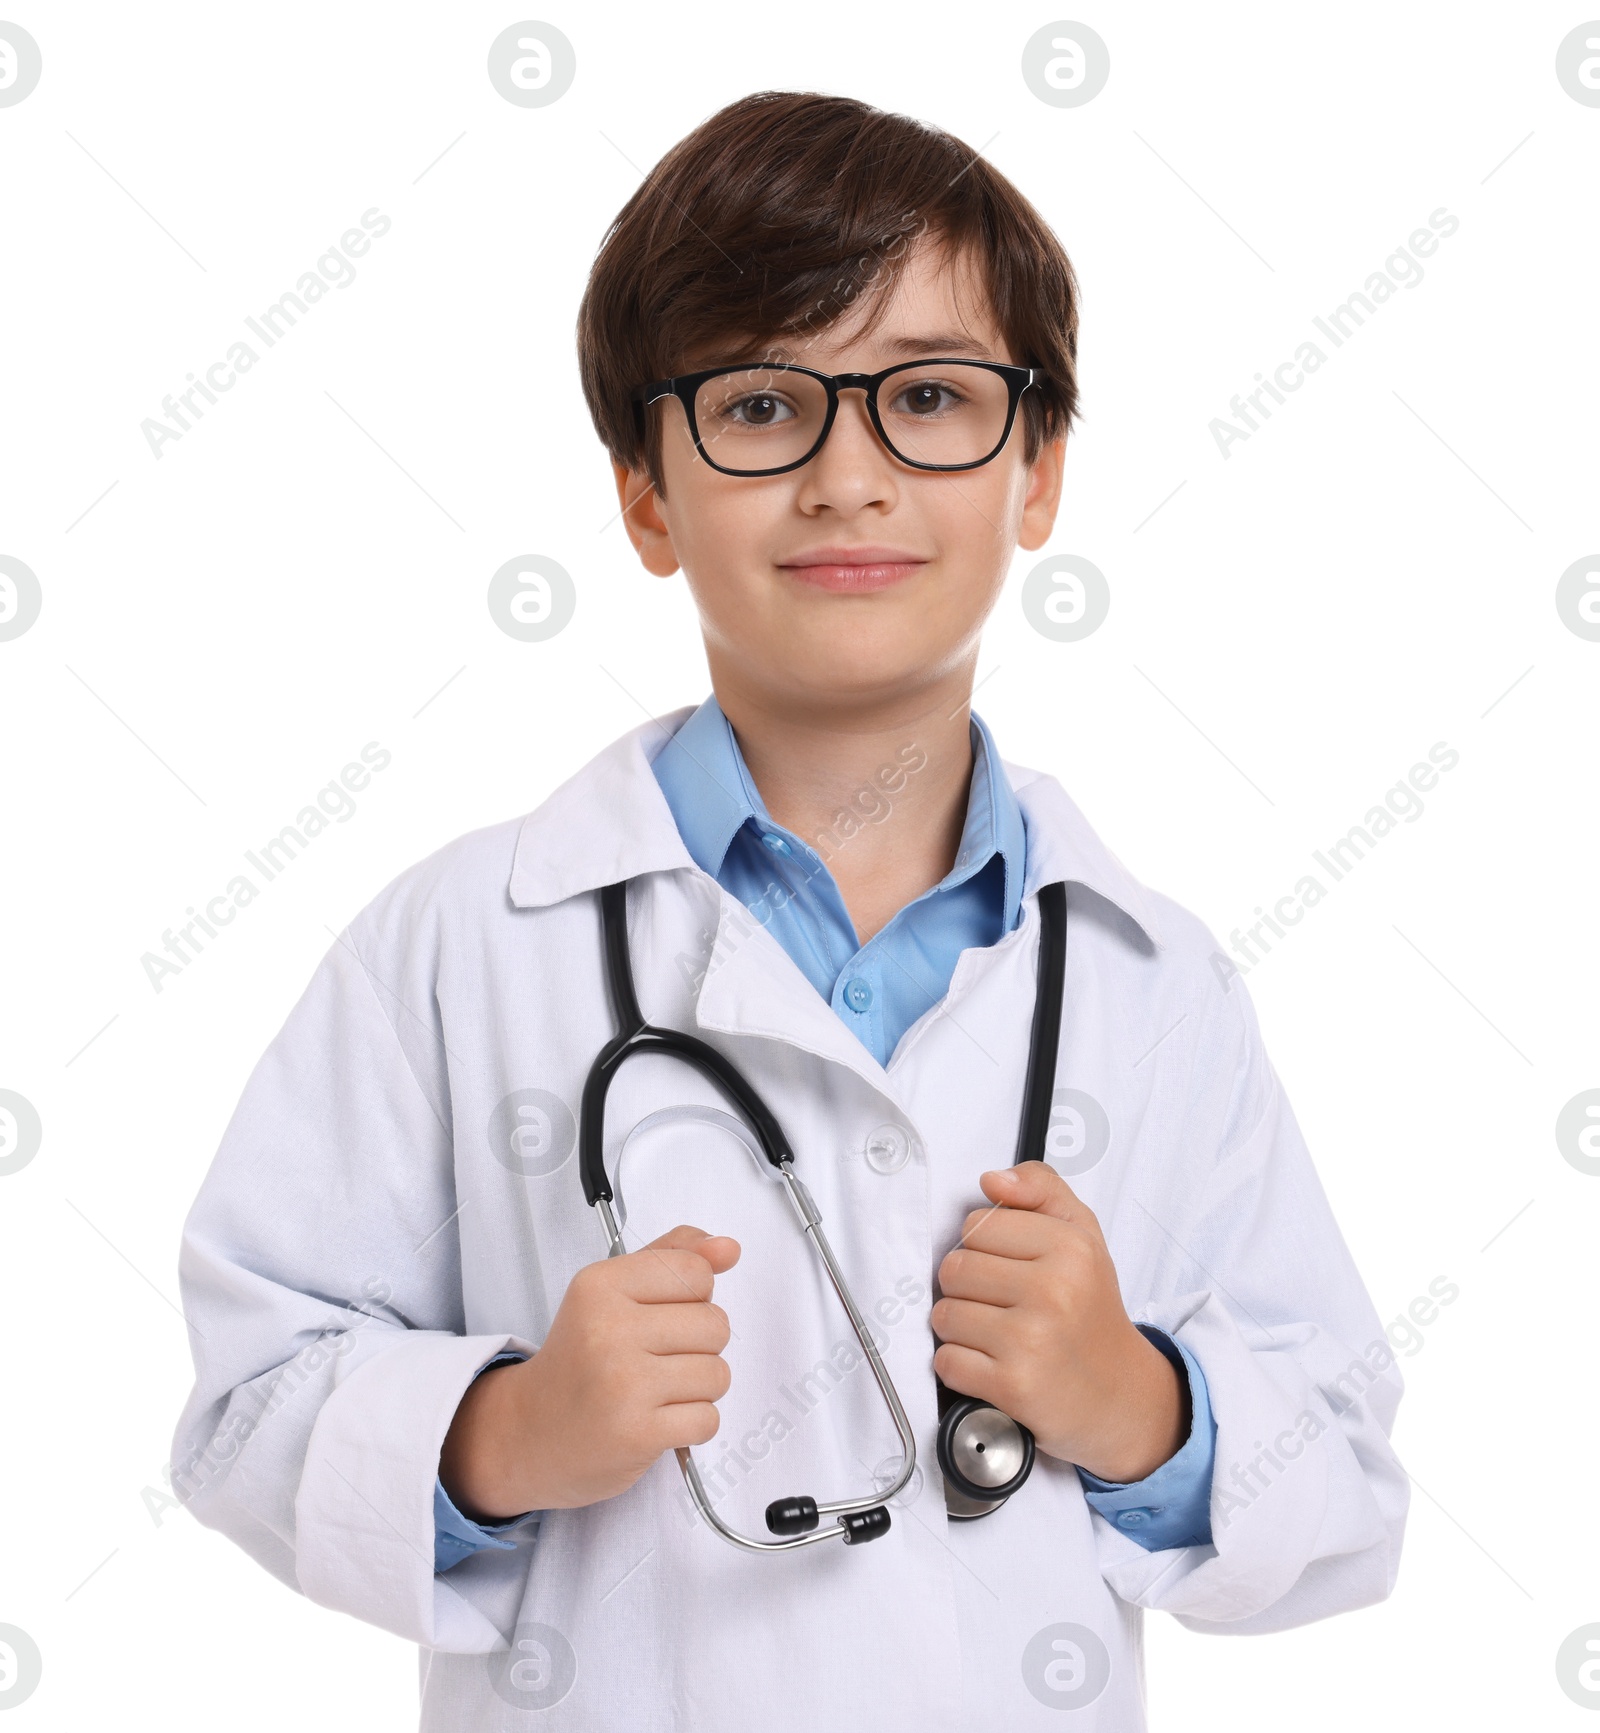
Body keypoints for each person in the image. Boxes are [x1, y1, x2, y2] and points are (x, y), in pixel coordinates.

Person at [172, 91, 1408, 1731]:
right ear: (645, 496)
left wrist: (1138, 1403)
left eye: (931, 399)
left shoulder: (1153, 979)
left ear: (1037, 474)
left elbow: (1350, 1481)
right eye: (761, 404)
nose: (848, 475)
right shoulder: (461, 943)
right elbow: (247, 1403)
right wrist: (510, 1428)